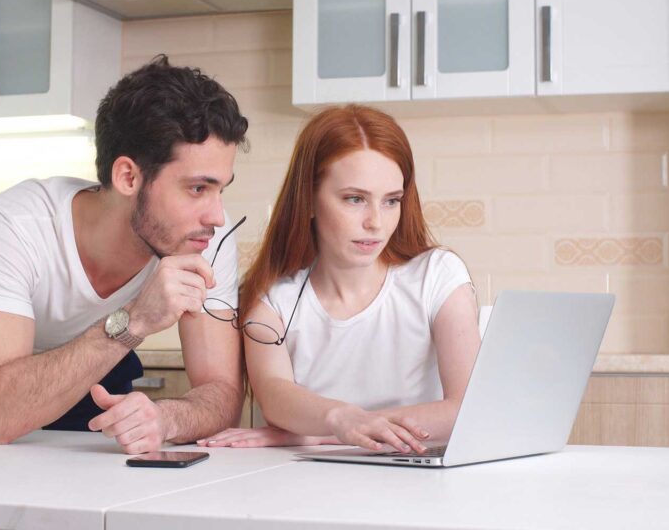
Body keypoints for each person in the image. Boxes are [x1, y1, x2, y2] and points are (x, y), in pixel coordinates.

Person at [0, 55, 249, 454]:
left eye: (221, 190)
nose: (216, 216)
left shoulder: (205, 236)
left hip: (99, 377)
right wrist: (135, 318)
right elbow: (0, 416)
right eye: (198, 189)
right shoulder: (14, 222)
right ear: (128, 177)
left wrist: (166, 418)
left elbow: (223, 394)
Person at [198, 105, 481, 454]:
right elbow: (275, 397)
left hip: (417, 479)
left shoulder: (438, 275)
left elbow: (466, 409)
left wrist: (319, 432)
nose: (376, 222)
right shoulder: (271, 300)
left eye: (391, 201)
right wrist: (336, 422)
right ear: (309, 199)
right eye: (355, 199)